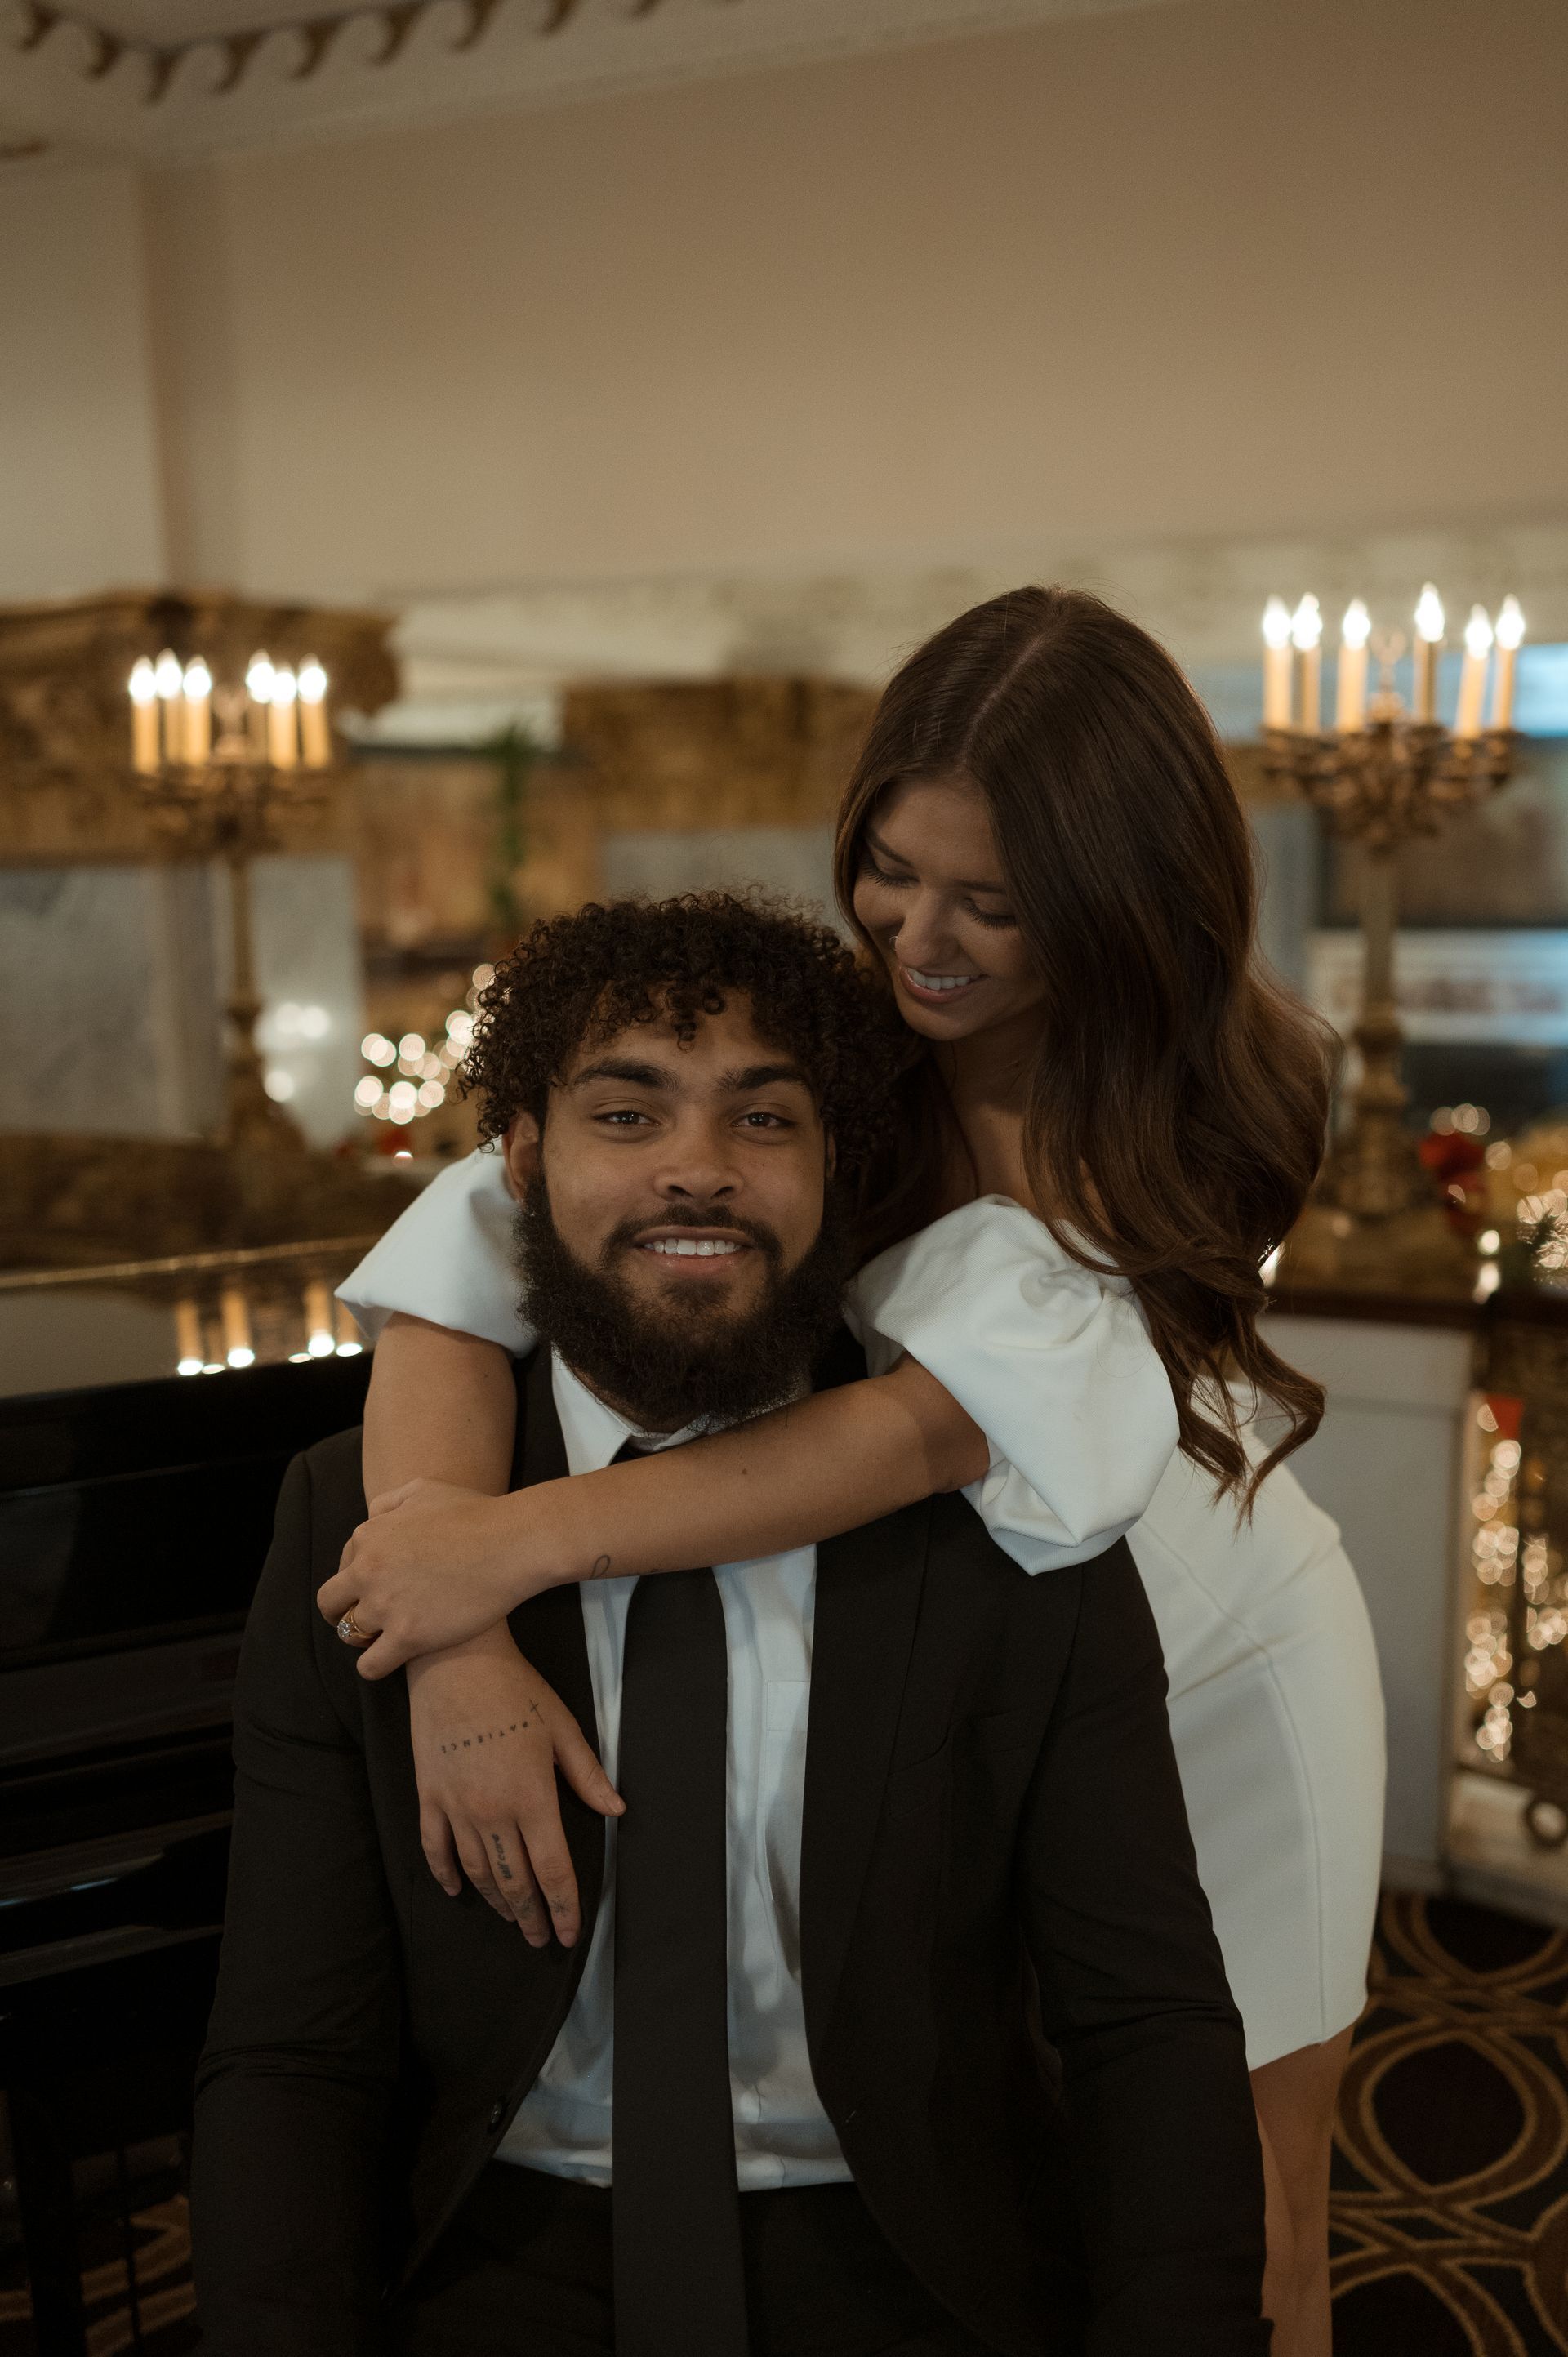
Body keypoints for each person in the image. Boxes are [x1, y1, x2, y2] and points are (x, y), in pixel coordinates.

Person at [327, 587, 1385, 2357]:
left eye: (996, 899)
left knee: (1241, 2202)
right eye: (893, 866)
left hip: (1217, 1649)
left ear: (1124, 894)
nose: (924, 934)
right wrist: (446, 1611)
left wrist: (513, 1552)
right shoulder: (830, 1049)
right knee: (1012, 2155)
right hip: (977, 1651)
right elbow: (461, 1265)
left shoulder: (1182, 1115)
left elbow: (896, 1439)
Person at [194, 894, 1270, 2357]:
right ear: (518, 1161)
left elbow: (1147, 2026)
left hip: (911, 2258)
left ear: (839, 1166)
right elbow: (292, 2053)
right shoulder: (364, 1520)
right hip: (498, 2250)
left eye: (764, 1122)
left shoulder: (1008, 1507)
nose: (697, 1171)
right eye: (626, 1116)